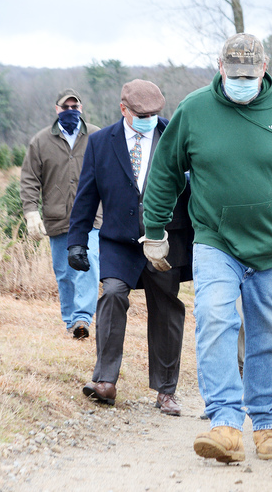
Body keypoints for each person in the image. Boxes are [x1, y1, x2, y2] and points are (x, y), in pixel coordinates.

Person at [141, 33, 272, 463]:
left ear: (264, 69)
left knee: (266, 332)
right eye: (234, 74)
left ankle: (265, 424)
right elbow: (164, 174)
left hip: (271, 243)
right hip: (216, 240)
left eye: (250, 74)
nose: (242, 81)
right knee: (214, 319)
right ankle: (225, 423)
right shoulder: (194, 111)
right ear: (220, 66)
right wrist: (154, 230)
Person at [67, 80, 193, 416]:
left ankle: (166, 391)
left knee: (166, 308)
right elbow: (86, 195)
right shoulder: (100, 142)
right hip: (118, 240)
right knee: (112, 295)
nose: (150, 118)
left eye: (155, 113)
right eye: (142, 113)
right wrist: (77, 241)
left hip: (164, 239)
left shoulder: (174, 135)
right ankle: (105, 380)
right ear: (124, 109)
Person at [20, 88, 101, 339]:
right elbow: (29, 179)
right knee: (65, 272)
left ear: (81, 109)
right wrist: (31, 212)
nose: (70, 112)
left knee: (89, 263)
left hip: (92, 218)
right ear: (57, 110)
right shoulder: (41, 141)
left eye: (74, 108)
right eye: (65, 108)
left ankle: (82, 318)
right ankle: (70, 322)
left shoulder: (97, 137)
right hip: (57, 217)